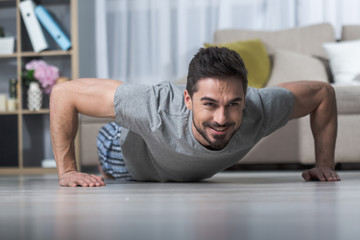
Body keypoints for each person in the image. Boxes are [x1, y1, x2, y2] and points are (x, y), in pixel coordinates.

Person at [50, 47, 340, 187]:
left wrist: (324, 164)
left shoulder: (259, 106)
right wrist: (68, 172)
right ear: (188, 99)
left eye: (233, 104)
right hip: (127, 155)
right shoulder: (154, 105)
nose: (222, 118)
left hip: (178, 166)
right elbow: (64, 94)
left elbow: (322, 93)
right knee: (113, 149)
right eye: (209, 104)